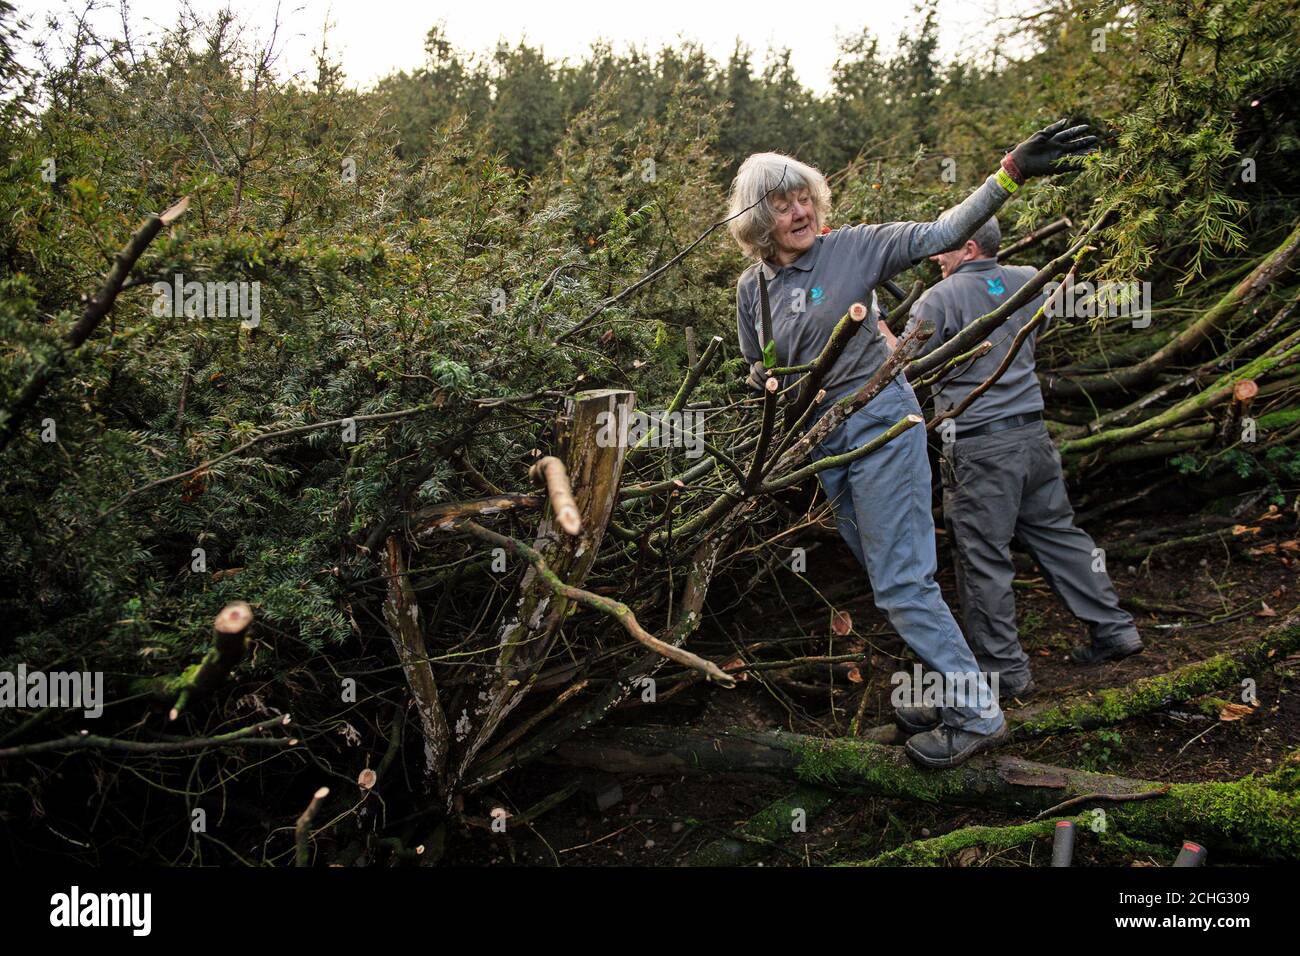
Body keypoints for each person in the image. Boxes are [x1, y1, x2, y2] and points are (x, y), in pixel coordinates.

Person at [728, 119, 1098, 768]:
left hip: (883, 431)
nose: (801, 211)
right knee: (889, 577)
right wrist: (762, 377)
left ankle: (976, 714)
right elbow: (757, 363)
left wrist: (1009, 171)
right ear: (758, 219)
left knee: (902, 582)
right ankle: (946, 685)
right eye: (783, 203)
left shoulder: (854, 249)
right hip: (828, 450)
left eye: (805, 196)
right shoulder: (751, 288)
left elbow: (943, 233)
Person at [902, 214, 1143, 698]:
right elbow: (1048, 302)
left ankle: (1005, 673)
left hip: (979, 446)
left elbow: (902, 362)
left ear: (968, 248)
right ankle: (1115, 630)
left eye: (944, 248)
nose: (935, 257)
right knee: (1058, 534)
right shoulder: (1028, 279)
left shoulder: (938, 299)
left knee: (982, 556)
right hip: (1033, 437)